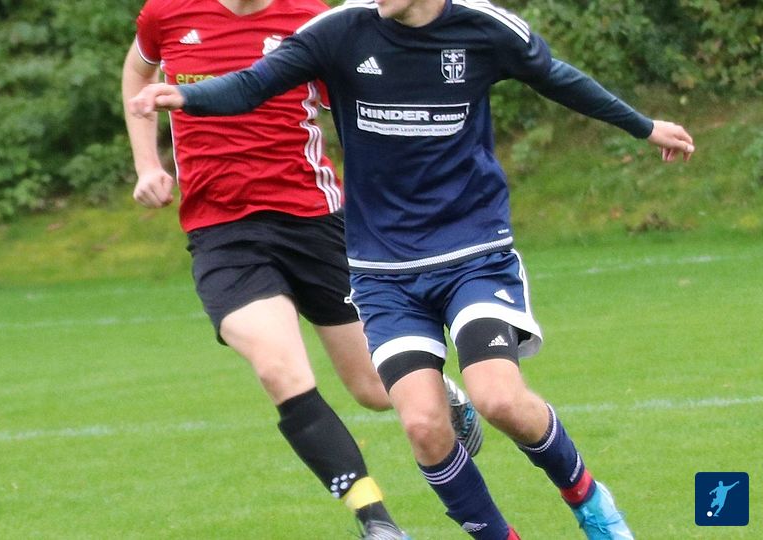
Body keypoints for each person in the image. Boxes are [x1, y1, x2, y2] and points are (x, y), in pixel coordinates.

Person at [128, 0, 697, 538]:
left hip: (472, 252)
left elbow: (559, 79)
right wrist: (184, 97)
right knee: (423, 426)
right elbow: (253, 83)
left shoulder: (484, 28)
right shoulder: (339, 31)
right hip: (382, 272)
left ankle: (590, 502)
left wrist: (644, 127)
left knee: (499, 399)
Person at [121, 1, 483, 538]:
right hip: (223, 233)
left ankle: (443, 393)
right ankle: (376, 521)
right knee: (278, 370)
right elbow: (138, 71)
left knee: (373, 389)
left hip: (315, 222)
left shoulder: (314, 19)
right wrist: (147, 164)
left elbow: (371, 99)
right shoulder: (167, 13)